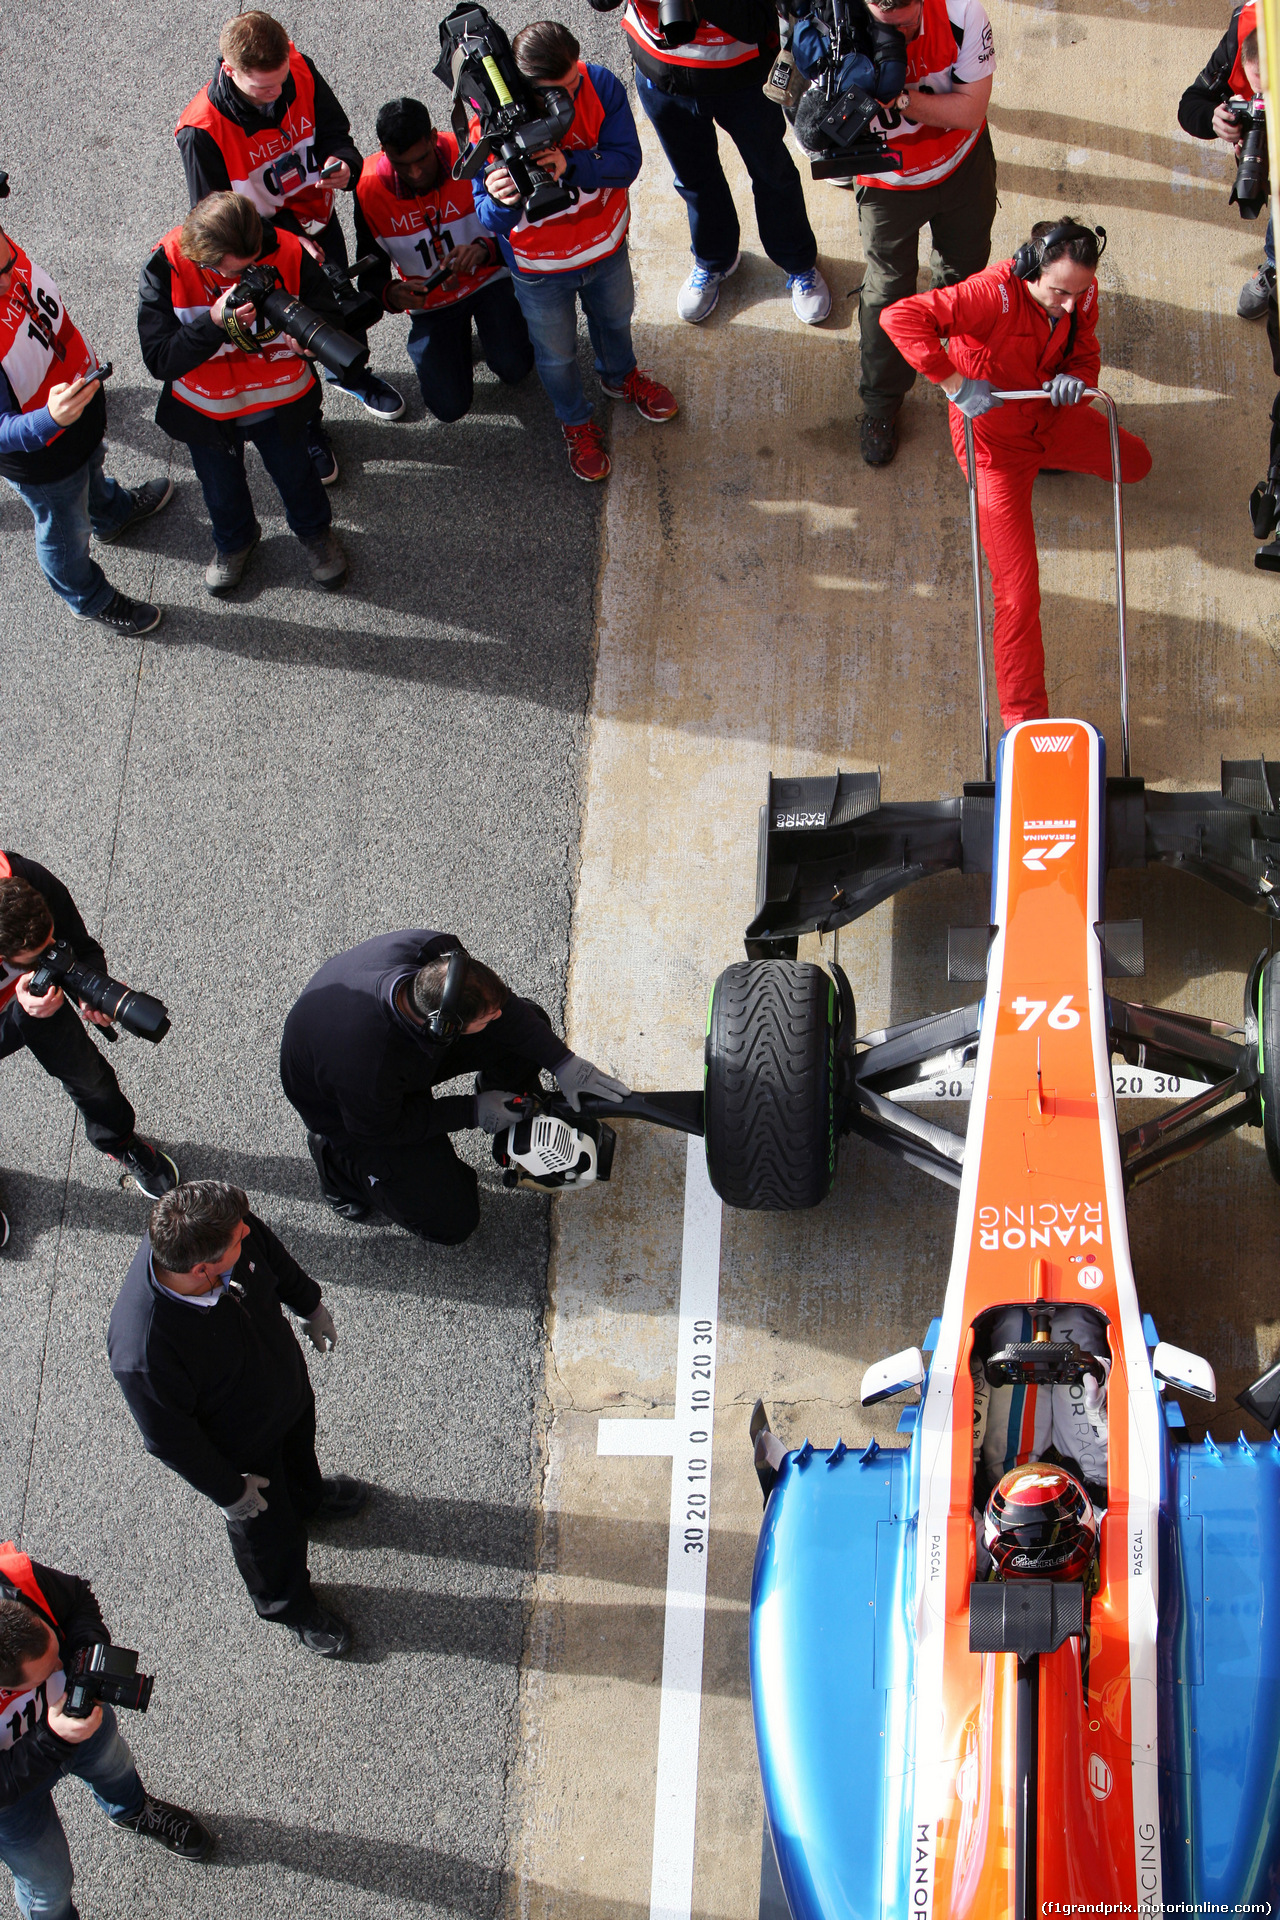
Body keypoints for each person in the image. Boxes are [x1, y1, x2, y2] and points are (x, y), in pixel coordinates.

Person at [880, 217, 1152, 728]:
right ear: (1031, 267)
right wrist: (955, 383)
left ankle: (1049, 463)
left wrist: (1080, 378)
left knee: (1135, 465)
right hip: (994, 449)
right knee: (1019, 596)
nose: (1071, 304)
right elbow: (900, 318)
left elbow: (1085, 344)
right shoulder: (989, 295)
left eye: (1080, 292)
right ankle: (1022, 721)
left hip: (1049, 416)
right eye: (1060, 292)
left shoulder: (1079, 295)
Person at [107, 1181, 362, 1658]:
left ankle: (310, 1497)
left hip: (284, 1389)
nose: (248, 1230)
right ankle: (287, 1603)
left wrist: (308, 1303)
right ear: (202, 1269)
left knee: (300, 1457)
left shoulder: (218, 1226)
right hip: (242, 1446)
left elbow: (269, 1251)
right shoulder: (143, 1348)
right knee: (267, 1531)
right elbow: (168, 1437)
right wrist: (229, 1490)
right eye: (238, 1237)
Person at [279, 935, 629, 1245]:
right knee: (451, 1218)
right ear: (445, 1029)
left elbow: (505, 1011)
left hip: (398, 1064)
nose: (496, 1017)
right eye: (484, 1019)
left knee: (527, 1025)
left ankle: (504, 1099)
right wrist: (472, 1111)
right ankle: (337, 1164)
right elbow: (383, 1127)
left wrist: (562, 1062)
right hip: (353, 1113)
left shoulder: (432, 955)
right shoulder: (364, 1065)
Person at [175, 8, 405, 443]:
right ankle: (308, 430)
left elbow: (336, 131)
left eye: (281, 82)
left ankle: (350, 376)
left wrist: (346, 164)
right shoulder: (200, 131)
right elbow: (216, 223)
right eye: (264, 87)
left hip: (319, 221)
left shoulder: (297, 66)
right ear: (229, 70)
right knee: (286, 344)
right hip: (262, 247)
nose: (277, 93)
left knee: (339, 312)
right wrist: (283, 241)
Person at [471, 20, 678, 482]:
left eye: (574, 81)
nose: (573, 92)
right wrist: (504, 200)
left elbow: (627, 163)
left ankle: (619, 377)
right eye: (559, 89)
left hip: (606, 246)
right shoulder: (486, 120)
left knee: (615, 320)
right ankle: (576, 423)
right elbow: (486, 218)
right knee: (557, 355)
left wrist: (572, 165)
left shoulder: (598, 82)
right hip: (540, 269)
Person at [138, 192, 348, 596]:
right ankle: (235, 541)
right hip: (208, 407)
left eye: (249, 267)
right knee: (219, 485)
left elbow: (331, 320)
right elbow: (159, 358)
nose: (241, 280)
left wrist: (311, 343)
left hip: (279, 398)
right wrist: (213, 322)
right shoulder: (165, 265)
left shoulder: (287, 249)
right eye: (228, 272)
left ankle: (315, 534)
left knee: (297, 475)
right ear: (202, 256)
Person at [587, 0, 832, 327]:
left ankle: (799, 262)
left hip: (744, 73)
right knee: (693, 177)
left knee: (771, 173)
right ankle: (715, 259)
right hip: (659, 71)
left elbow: (767, 16)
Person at [0, 1544, 212, 1916]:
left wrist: (84, 1667)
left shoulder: (15, 1580)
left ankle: (131, 1811)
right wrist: (53, 1739)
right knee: (49, 1884)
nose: (57, 1670)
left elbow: (78, 1601)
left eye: (55, 1657)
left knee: (115, 1766)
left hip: (78, 1723)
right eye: (46, 1673)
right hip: (11, 1799)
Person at [0, 224, 171, 638]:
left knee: (93, 469)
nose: (7, 280)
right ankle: (87, 598)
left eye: (5, 263)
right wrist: (49, 419)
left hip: (78, 409)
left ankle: (110, 514)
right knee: (63, 531)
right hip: (41, 456)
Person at [849, 0, 997, 468]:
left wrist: (901, 99)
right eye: (887, 26)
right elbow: (809, 133)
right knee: (888, 295)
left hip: (962, 169)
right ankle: (880, 406)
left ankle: (968, 384)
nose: (903, 34)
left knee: (965, 281)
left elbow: (971, 111)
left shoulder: (963, 13)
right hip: (888, 187)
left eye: (910, 21)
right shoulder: (832, 27)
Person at [0, 859, 178, 1202]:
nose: (51, 953)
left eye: (51, 944)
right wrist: (21, 1012)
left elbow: (79, 945)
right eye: (36, 956)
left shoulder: (23, 877)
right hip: (16, 1010)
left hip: (39, 1000)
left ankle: (119, 1141)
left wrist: (85, 987)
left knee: (89, 1078)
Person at [354, 96, 533, 424]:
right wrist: (392, 293)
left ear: (435, 136)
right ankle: (454, 346)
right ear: (383, 150)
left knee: (516, 367)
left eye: (421, 158)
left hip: (489, 281)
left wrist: (484, 251)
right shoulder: (367, 189)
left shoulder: (473, 155)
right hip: (432, 305)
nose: (416, 171)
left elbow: (521, 227)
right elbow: (370, 275)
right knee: (448, 408)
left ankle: (483, 339)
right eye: (401, 164)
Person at [1178, 2, 1273, 321]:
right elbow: (1191, 102)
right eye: (1255, 91)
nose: (1261, 99)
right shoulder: (1239, 38)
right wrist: (1213, 119)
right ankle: (1274, 266)